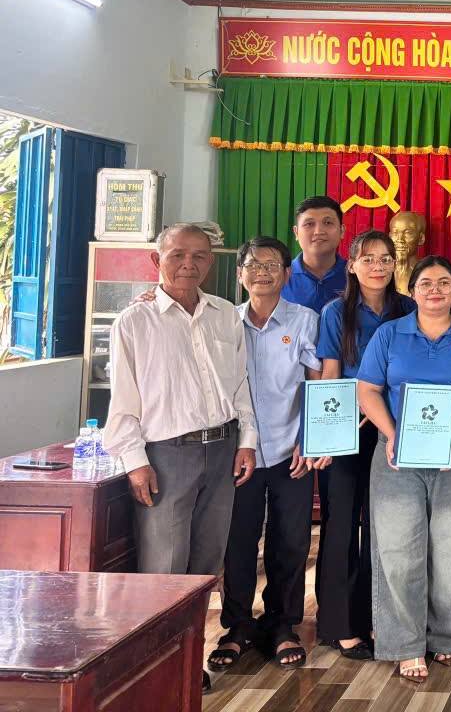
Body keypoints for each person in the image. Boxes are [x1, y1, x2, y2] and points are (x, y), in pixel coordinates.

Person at [104, 223, 258, 694]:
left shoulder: (225, 314)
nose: (188, 264)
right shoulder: (134, 321)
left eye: (199, 256)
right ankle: (157, 667)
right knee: (164, 568)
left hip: (223, 449)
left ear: (212, 261)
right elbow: (123, 401)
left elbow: (240, 385)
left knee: (206, 566)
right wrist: (135, 460)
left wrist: (248, 440)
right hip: (167, 455)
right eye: (177, 255)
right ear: (157, 260)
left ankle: (189, 657)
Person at [356, 255, 451, 680]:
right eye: (425, 283)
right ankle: (405, 643)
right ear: (412, 290)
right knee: (398, 550)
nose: (434, 290)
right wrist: (392, 433)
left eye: (443, 283)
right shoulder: (389, 334)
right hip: (396, 455)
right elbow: (368, 389)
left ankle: (446, 637)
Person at [210, 236, 330, 672]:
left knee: (291, 541)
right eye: (253, 265)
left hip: (289, 450)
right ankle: (237, 626)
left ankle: (282, 624)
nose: (262, 272)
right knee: (238, 542)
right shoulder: (223, 321)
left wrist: (310, 439)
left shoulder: (305, 320)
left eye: (271, 265)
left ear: (287, 273)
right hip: (238, 454)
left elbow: (318, 383)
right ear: (239, 273)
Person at [315, 229, 415, 660]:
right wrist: (325, 435)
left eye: (385, 258)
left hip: (394, 428)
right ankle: (339, 625)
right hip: (347, 427)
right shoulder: (335, 313)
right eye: (368, 259)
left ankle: (377, 618)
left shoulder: (408, 308)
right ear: (352, 265)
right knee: (340, 524)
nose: (378, 266)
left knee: (384, 527)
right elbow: (331, 374)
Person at [281, 195, 347, 314]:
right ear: (296, 232)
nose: (318, 231)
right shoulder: (279, 276)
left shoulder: (357, 275)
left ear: (342, 231)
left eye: (328, 222)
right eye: (309, 224)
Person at [389, 210, 427, 294]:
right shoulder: (381, 272)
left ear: (421, 239)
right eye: (395, 233)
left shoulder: (428, 274)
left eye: (408, 233)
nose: (400, 239)